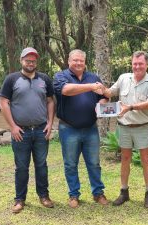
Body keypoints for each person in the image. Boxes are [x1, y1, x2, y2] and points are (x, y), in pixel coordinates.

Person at [0, 47, 55, 213]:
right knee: (21, 167)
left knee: (42, 165)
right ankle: (19, 199)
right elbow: (3, 102)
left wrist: (50, 123)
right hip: (20, 132)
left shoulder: (44, 79)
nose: (31, 63)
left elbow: (50, 101)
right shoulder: (12, 79)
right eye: (27, 60)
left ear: (36, 62)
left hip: (40, 131)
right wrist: (13, 127)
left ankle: (44, 196)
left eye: (33, 61)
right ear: (21, 60)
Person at [103, 51, 148, 208]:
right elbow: (110, 92)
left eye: (140, 63)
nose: (137, 66)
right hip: (124, 127)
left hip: (142, 127)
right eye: (135, 63)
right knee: (125, 159)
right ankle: (124, 192)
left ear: (146, 64)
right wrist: (99, 88)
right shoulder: (124, 78)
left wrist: (130, 107)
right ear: (131, 64)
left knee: (145, 160)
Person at [53, 49, 108, 208]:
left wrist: (102, 103)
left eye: (81, 61)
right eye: (75, 60)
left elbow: (104, 95)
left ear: (85, 62)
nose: (78, 63)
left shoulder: (93, 77)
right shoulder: (61, 76)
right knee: (70, 163)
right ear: (68, 61)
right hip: (68, 129)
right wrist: (91, 87)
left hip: (91, 128)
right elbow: (66, 90)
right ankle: (74, 195)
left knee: (94, 163)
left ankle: (98, 193)